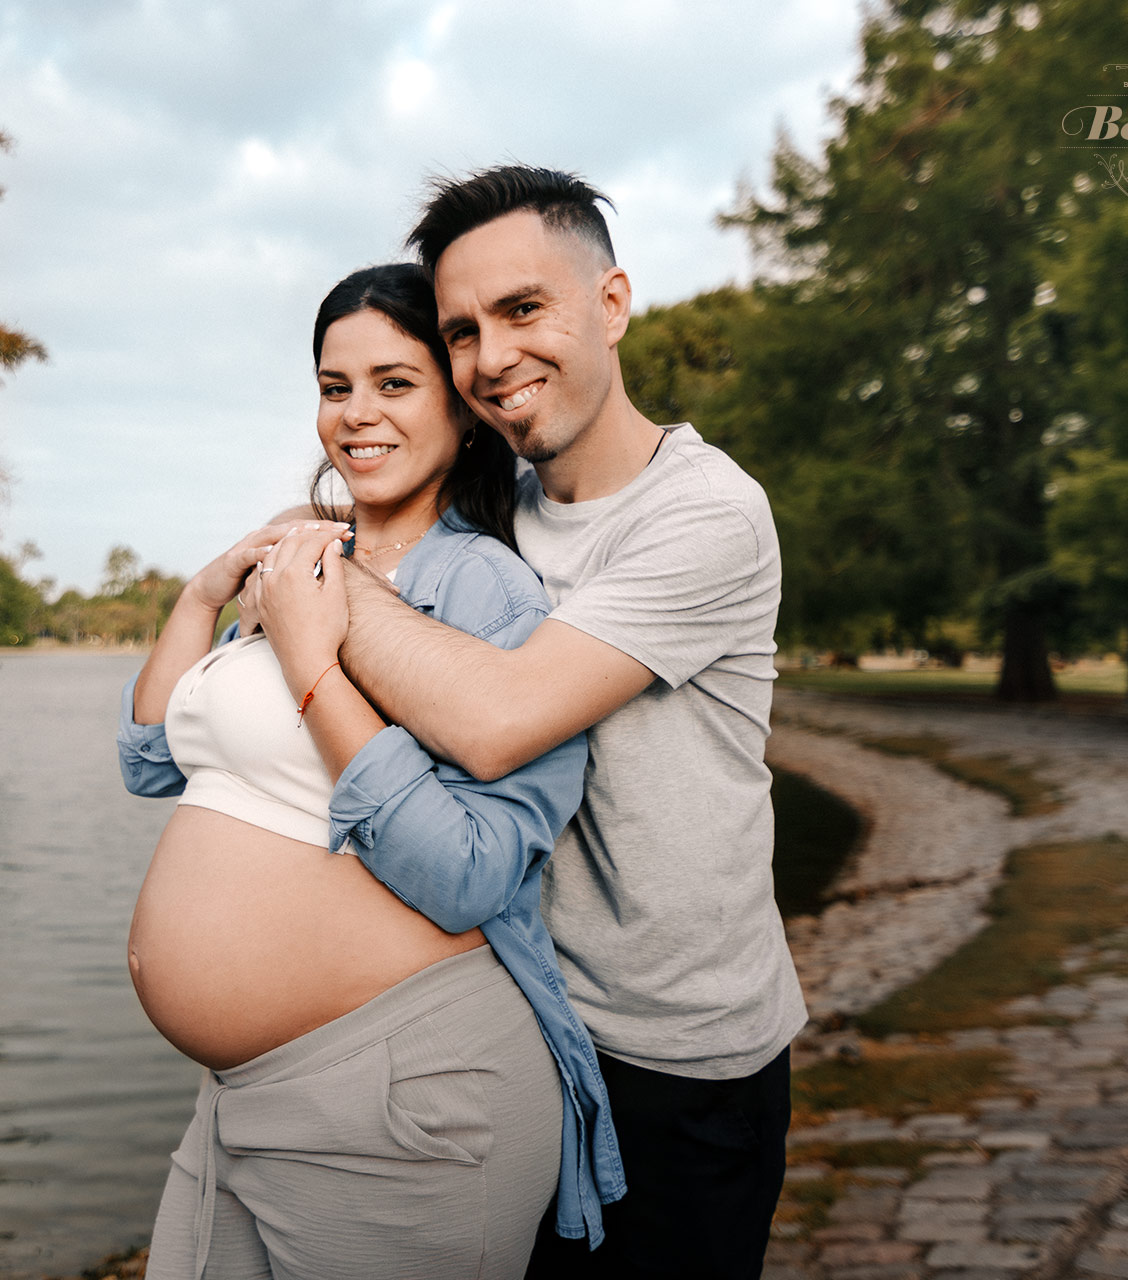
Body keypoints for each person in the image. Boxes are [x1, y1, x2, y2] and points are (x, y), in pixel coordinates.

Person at [267, 166, 806, 1279]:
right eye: (461, 330)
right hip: (520, 1030)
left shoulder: (704, 512)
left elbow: (499, 719)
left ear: (611, 304)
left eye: (523, 310)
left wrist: (317, 574)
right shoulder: (491, 516)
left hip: (679, 1063)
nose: (492, 357)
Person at [115, 262, 624, 1280]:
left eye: (394, 382)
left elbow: (475, 875)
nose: (356, 414)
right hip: (242, 1094)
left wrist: (313, 664)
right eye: (333, 385)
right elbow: (153, 761)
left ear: (462, 403)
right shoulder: (308, 555)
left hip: (405, 1098)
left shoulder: (486, 587)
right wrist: (197, 600)